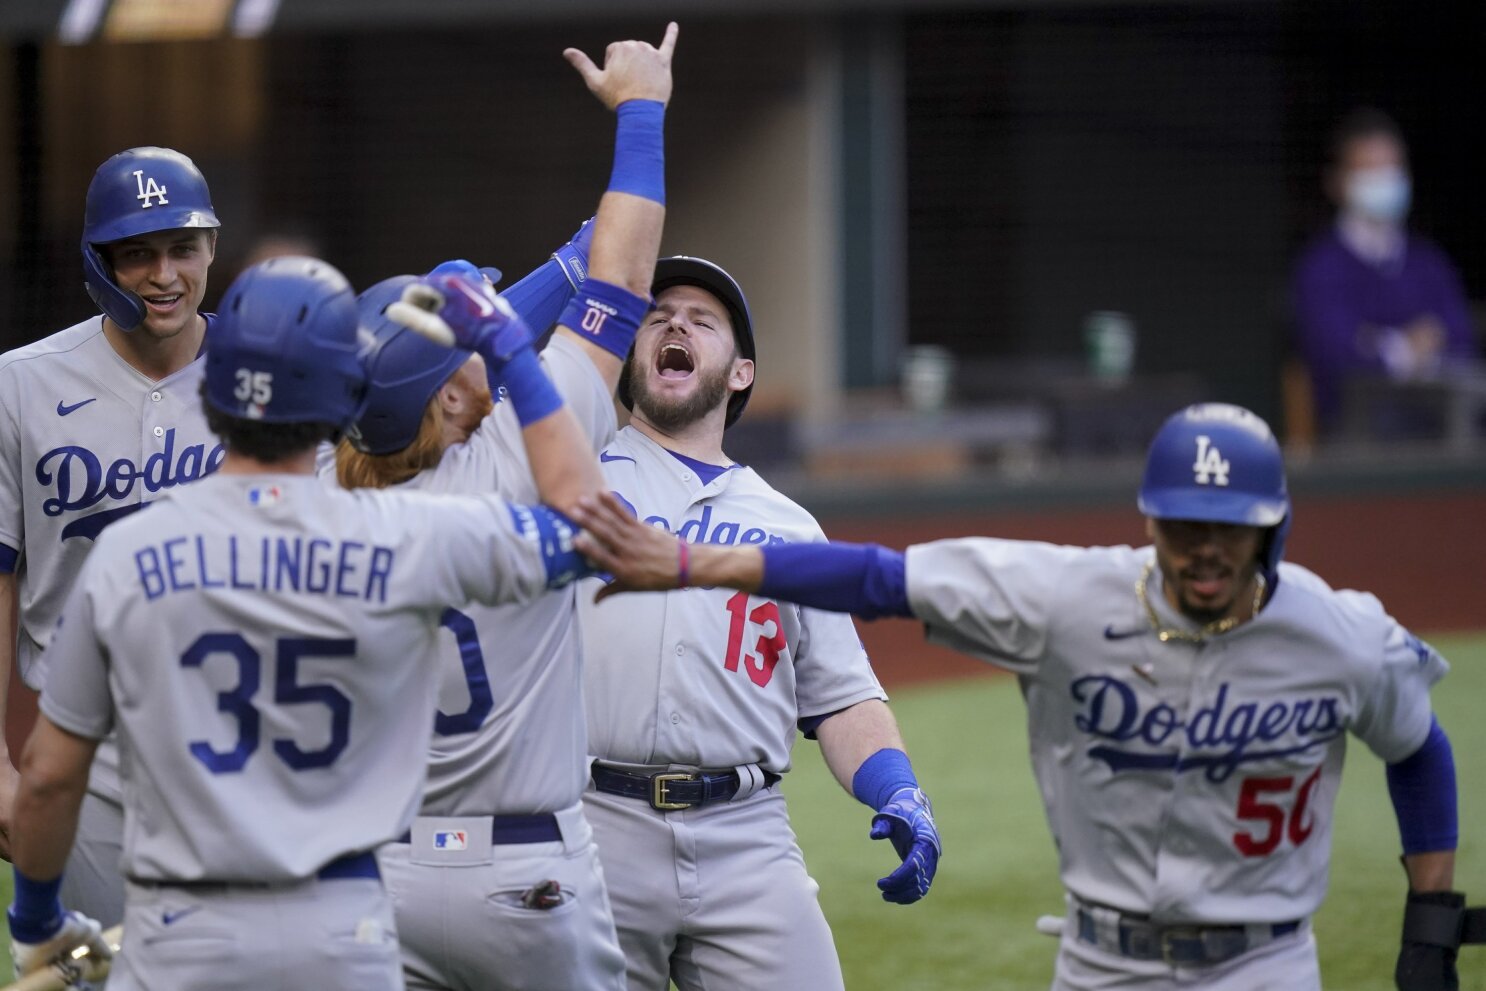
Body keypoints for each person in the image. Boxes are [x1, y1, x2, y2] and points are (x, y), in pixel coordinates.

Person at [574, 402, 1474, 991]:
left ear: (1273, 529)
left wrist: (1430, 916)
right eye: (1186, 526)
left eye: (1231, 531)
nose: (1207, 550)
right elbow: (877, 577)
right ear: (1151, 520)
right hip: (1102, 961)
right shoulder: (1071, 598)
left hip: (1265, 963)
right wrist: (692, 563)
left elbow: (1421, 745)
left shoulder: (1341, 633)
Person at [4, 253, 608, 989]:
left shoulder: (128, 554)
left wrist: (37, 919)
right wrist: (510, 345)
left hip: (180, 933)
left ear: (212, 389)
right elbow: (587, 526)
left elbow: (48, 780)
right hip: (344, 928)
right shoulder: (399, 534)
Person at [331, 23, 677, 991]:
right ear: (449, 394)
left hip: (376, 875)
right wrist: (641, 111)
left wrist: (497, 309)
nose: (493, 328)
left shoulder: (325, 483)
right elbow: (623, 286)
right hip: (525, 876)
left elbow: (409, 371)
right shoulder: (526, 451)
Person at [573, 254, 941, 991]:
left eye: (701, 319)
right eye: (656, 314)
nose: (675, 322)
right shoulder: (575, 479)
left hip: (747, 834)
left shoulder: (789, 524)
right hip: (593, 823)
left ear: (740, 372)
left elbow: (839, 694)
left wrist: (899, 788)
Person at [0, 147, 225, 934]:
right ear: (99, 263)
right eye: (137, 254)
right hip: (86, 757)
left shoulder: (268, 377)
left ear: (210, 249)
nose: (164, 274)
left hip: (240, 742)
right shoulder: (19, 384)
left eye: (182, 248)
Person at [1292, 108, 1479, 438]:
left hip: (1441, 428)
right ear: (1337, 183)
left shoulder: (1428, 261)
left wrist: (1378, 343)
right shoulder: (1321, 267)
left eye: (1391, 169)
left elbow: (1460, 335)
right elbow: (1337, 355)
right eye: (1369, 171)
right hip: (1360, 441)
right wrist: (1406, 349)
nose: (1383, 182)